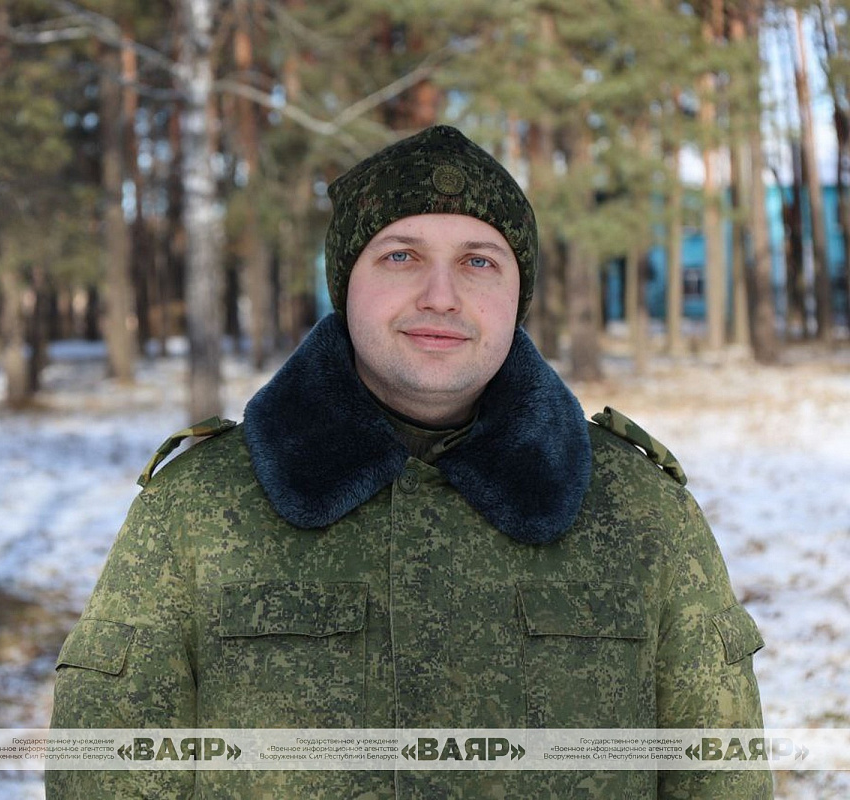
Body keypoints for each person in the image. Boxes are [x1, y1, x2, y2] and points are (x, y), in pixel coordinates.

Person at [46, 125, 771, 798]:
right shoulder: (198, 509)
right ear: (346, 285)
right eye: (401, 256)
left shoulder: (639, 511)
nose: (441, 296)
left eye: (479, 262)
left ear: (517, 295)